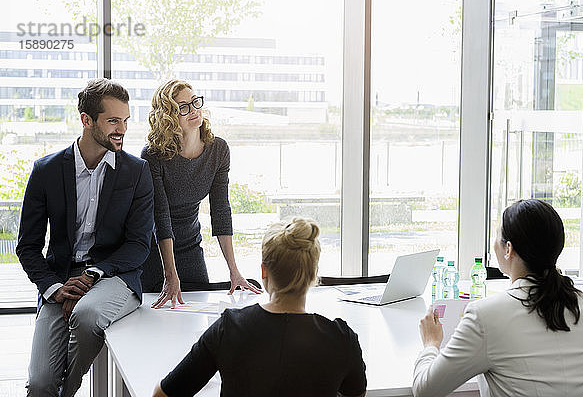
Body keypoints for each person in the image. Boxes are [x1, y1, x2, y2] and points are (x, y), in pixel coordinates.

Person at [16, 78, 154, 396]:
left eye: (125, 120)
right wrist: (55, 288)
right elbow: (27, 246)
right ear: (86, 120)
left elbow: (138, 245)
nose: (122, 129)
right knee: (39, 384)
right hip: (60, 280)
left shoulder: (137, 172)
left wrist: (92, 276)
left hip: (113, 277)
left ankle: (68, 389)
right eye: (113, 121)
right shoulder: (46, 171)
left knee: (88, 313)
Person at [152, 217, 367, 397]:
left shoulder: (229, 328)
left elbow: (162, 395)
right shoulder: (342, 339)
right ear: (314, 274)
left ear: (264, 272)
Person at [413, 199, 583, 397]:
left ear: (508, 249)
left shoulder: (485, 315)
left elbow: (425, 391)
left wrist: (431, 344)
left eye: (496, 235)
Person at [141, 79, 260, 308]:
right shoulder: (153, 155)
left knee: (196, 315)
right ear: (167, 117)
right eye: (182, 107)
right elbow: (161, 217)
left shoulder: (218, 150)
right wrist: (170, 274)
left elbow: (221, 211)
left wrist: (234, 271)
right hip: (155, 252)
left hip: (190, 247)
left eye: (195, 102)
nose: (193, 110)